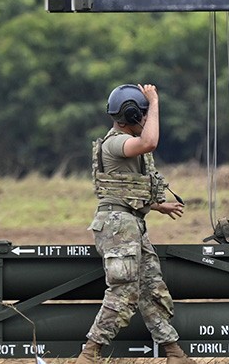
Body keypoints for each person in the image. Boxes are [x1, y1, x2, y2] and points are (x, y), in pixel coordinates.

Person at [76, 83, 196, 364]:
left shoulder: (123, 143)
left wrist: (157, 205)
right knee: (124, 291)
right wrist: (154, 102)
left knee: (151, 289)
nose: (146, 119)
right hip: (119, 227)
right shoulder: (116, 142)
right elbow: (150, 142)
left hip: (130, 224)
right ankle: (89, 353)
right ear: (132, 117)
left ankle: (173, 352)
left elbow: (123, 191)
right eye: (142, 115)